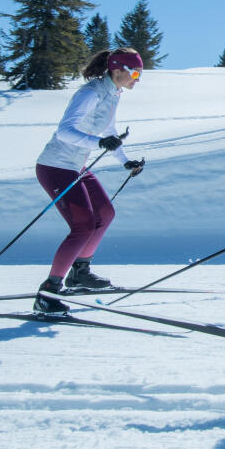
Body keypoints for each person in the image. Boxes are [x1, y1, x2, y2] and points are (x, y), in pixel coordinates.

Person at [33, 47, 147, 315]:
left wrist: (125, 161)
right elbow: (65, 131)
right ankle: (48, 292)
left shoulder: (113, 93)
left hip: (76, 165)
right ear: (117, 70)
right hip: (55, 166)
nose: (137, 79)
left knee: (105, 213)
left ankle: (80, 273)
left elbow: (108, 131)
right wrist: (98, 143)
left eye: (140, 74)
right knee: (83, 226)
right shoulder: (90, 93)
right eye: (134, 72)